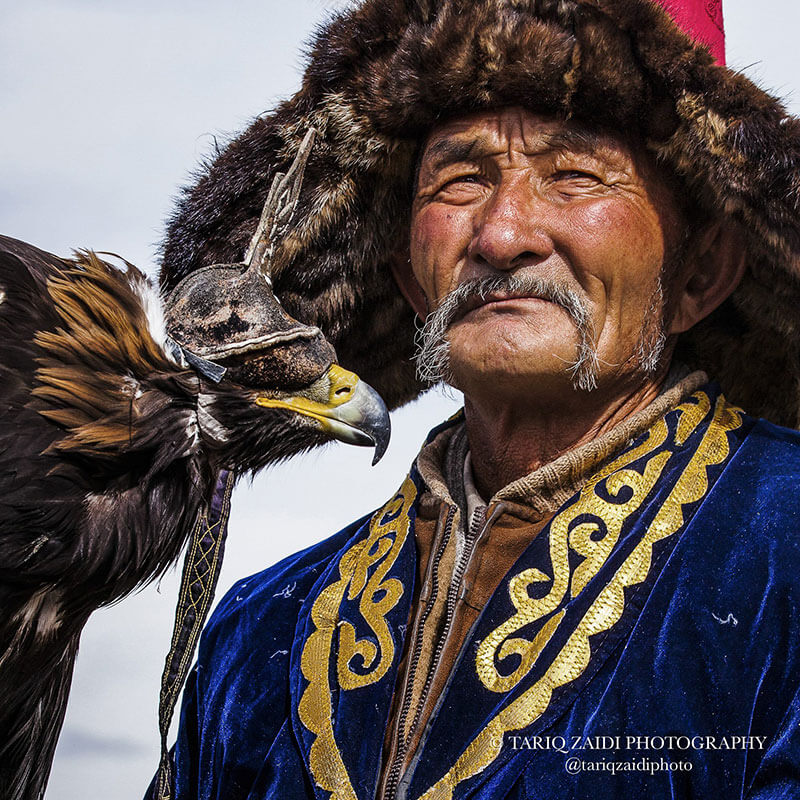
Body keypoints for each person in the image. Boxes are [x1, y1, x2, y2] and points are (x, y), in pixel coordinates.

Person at [151, 0, 800, 797]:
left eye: (574, 176)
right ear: (406, 278)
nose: (501, 235)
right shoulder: (258, 636)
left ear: (699, 272)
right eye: (459, 180)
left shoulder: (786, 558)